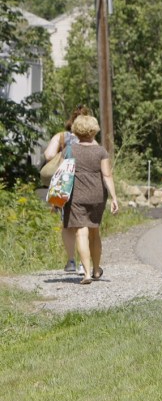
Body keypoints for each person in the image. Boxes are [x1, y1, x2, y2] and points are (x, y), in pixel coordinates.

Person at [64, 114, 119, 284]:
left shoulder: (70, 149)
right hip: (97, 195)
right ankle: (96, 270)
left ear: (76, 131)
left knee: (81, 232)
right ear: (94, 131)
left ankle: (86, 273)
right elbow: (107, 175)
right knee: (94, 231)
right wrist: (114, 198)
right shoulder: (101, 151)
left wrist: (56, 200)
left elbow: (63, 173)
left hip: (76, 196)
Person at [43, 105, 92, 275]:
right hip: (86, 185)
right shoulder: (90, 138)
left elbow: (48, 155)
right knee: (83, 225)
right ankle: (83, 264)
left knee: (67, 225)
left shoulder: (62, 137)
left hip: (66, 184)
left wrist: (62, 154)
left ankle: (71, 261)